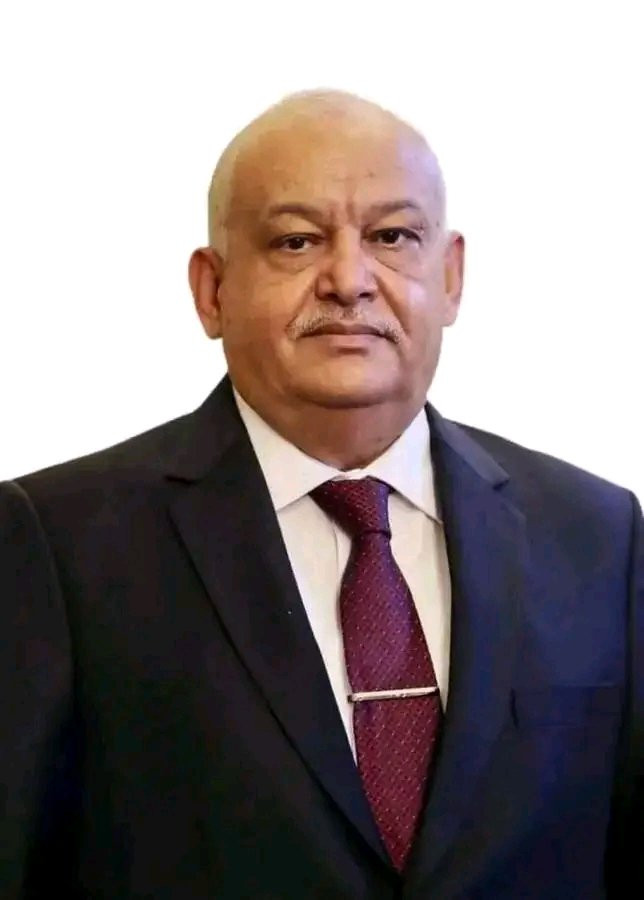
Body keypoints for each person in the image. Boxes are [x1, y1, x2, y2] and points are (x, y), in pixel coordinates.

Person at [1, 89, 641, 899]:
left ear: (450, 277)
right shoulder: (55, 546)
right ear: (212, 290)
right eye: (296, 241)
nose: (349, 280)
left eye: (392, 237)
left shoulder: (598, 535)